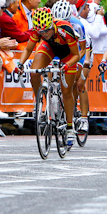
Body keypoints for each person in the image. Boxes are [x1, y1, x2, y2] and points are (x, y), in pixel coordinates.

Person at [17, 8, 81, 148]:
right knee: (34, 72)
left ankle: (70, 128)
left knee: (66, 92)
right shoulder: (38, 29)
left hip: (68, 54)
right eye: (41, 32)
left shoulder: (65, 29)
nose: (44, 34)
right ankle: (40, 102)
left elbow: (77, 55)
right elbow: (28, 49)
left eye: (46, 31)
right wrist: (20, 64)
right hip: (50, 48)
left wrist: (67, 65)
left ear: (52, 25)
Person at [52, 0, 93, 134]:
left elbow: (82, 49)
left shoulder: (77, 25)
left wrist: (78, 62)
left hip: (82, 50)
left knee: (79, 82)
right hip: (64, 49)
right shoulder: (51, 24)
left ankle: (84, 117)